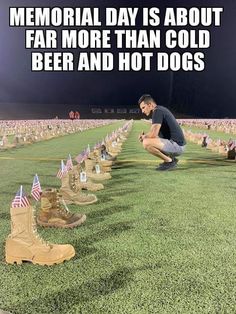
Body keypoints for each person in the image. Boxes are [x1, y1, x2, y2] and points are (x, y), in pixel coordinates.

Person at [138, 94, 186, 170]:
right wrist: (146, 136)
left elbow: (153, 134)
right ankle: (171, 159)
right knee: (148, 140)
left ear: (150, 104)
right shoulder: (159, 110)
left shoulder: (157, 111)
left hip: (177, 146)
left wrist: (144, 137)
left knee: (146, 143)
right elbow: (156, 136)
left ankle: (169, 162)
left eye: (143, 107)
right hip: (177, 145)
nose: (142, 111)